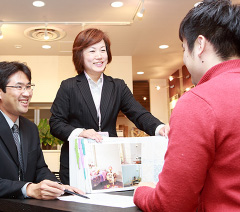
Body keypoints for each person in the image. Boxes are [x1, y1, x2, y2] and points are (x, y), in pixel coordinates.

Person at [133, 0, 240, 211]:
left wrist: (142, 191)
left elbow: (172, 204)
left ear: (199, 45)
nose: (184, 57)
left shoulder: (198, 102)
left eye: (184, 48)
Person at [49, 28, 170, 185]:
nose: (99, 56)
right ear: (80, 56)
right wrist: (81, 133)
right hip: (76, 163)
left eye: (103, 50)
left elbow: (138, 114)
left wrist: (159, 127)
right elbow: (56, 123)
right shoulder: (69, 86)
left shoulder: (117, 86)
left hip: (110, 164)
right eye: (92, 51)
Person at [0, 61, 83, 211]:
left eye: (28, 86)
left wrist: (59, 187)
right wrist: (29, 189)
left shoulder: (31, 128)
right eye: (19, 87)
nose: (27, 93)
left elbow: (40, 169)